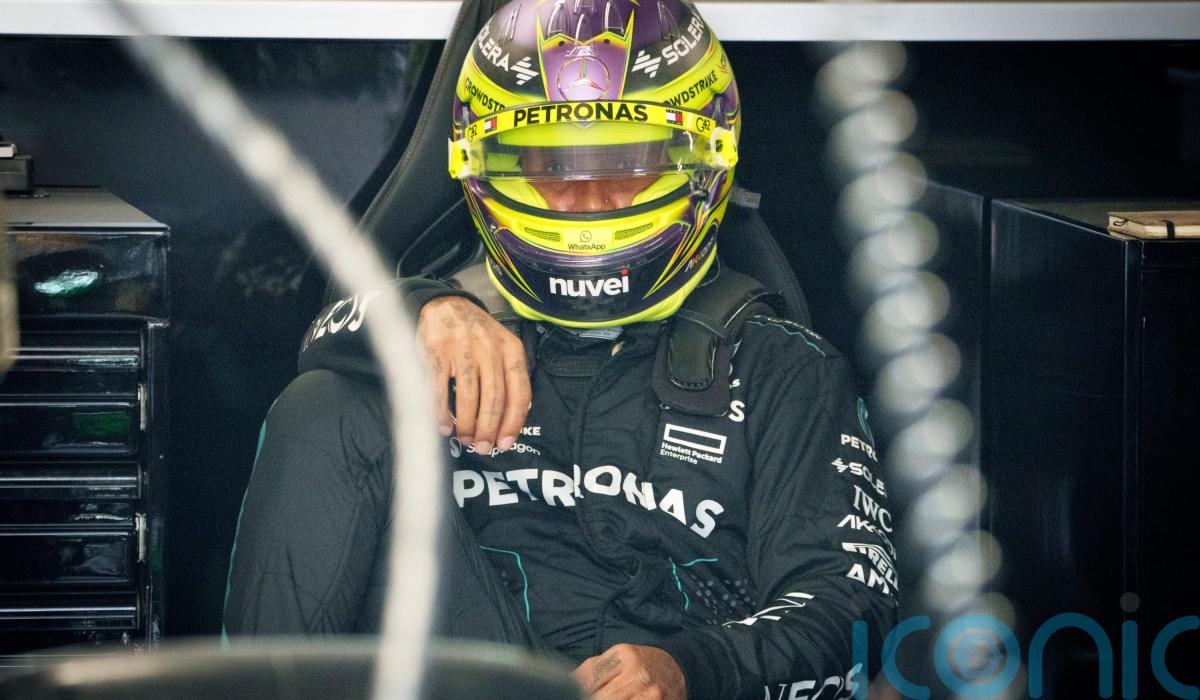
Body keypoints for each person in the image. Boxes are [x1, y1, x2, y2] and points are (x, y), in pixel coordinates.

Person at [223, 1, 899, 698]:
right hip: (478, 675)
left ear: (702, 158)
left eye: (629, 161)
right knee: (324, 405)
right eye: (552, 164)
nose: (590, 200)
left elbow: (850, 611)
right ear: (486, 167)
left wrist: (690, 668)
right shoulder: (445, 334)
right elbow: (325, 340)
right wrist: (421, 309)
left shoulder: (785, 370)